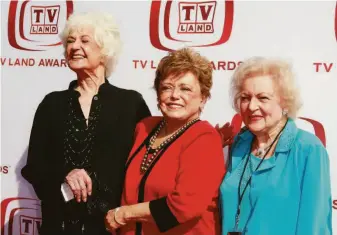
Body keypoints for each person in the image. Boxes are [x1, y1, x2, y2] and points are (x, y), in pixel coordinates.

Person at [21, 12, 151, 235]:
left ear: (105, 50)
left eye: (84, 40)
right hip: (58, 226)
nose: (74, 47)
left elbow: (150, 159)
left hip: (112, 226)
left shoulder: (130, 103)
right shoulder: (52, 103)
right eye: (70, 41)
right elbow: (34, 167)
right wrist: (65, 174)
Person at [104, 48, 225, 235]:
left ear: (203, 98)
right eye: (167, 87)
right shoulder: (144, 128)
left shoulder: (204, 138)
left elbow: (184, 206)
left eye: (185, 88)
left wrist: (124, 214)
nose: (174, 95)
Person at [219, 57, 332, 235]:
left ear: (284, 102)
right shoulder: (239, 145)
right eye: (245, 98)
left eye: (263, 98)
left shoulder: (308, 149)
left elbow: (314, 226)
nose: (252, 106)